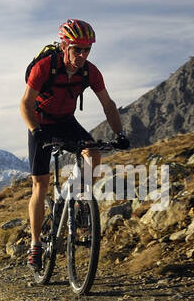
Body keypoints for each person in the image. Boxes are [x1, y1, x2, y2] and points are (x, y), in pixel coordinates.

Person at [20, 19, 129, 270]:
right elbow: (25, 104)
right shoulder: (45, 67)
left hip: (66, 121)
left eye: (87, 49)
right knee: (41, 183)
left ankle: (79, 198)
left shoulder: (90, 72)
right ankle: (36, 245)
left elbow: (108, 105)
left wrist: (120, 133)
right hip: (41, 121)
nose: (82, 55)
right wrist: (36, 131)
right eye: (76, 49)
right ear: (64, 45)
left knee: (92, 152)